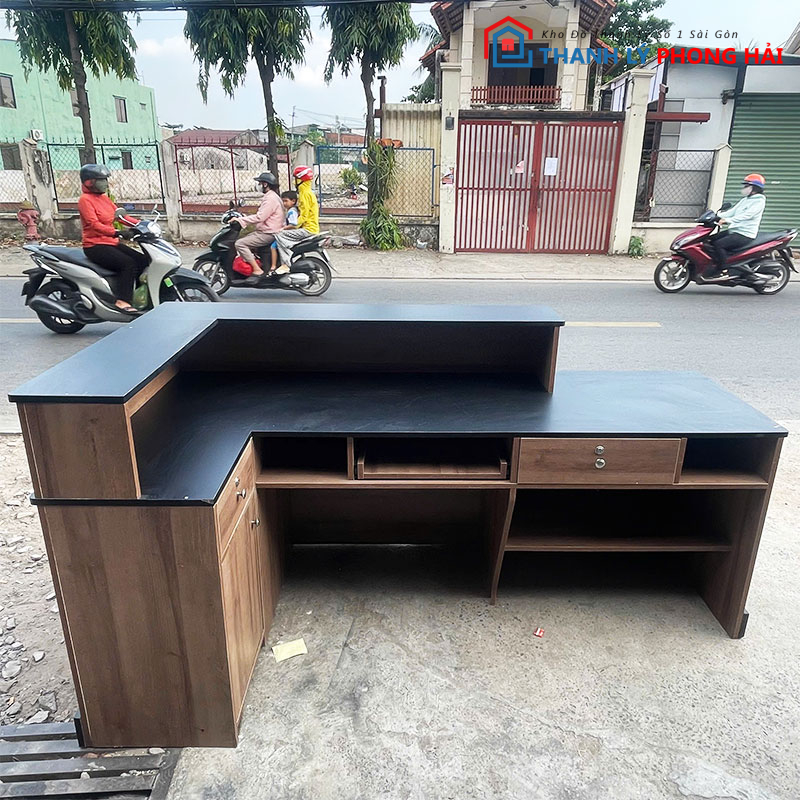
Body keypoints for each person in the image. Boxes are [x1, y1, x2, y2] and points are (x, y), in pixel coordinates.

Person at [78, 164, 148, 313]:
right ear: (89, 182)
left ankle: (139, 297)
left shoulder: (104, 198)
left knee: (144, 261)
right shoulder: (85, 200)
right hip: (95, 246)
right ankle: (122, 300)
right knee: (128, 264)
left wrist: (142, 225)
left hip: (111, 243)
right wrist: (117, 232)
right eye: (101, 180)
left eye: (105, 179)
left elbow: (121, 217)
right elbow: (94, 225)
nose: (105, 183)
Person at [706, 173, 766, 280]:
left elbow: (747, 215)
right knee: (709, 241)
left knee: (719, 245)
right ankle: (714, 265)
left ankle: (723, 270)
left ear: (754, 188)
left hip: (745, 234)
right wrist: (716, 216)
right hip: (734, 231)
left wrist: (727, 221)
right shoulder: (745, 200)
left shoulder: (759, 202)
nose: (744, 188)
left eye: (747, 186)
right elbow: (732, 212)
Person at [231, 172, 284, 282]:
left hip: (268, 233)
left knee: (240, 243)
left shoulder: (270, 199)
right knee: (246, 239)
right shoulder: (272, 196)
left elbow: (260, 217)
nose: (258, 185)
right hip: (267, 230)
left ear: (265, 184)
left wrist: (241, 220)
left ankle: (257, 269)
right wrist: (243, 217)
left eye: (259, 183)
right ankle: (257, 264)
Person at [273, 166, 319, 268]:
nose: (294, 182)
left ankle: (285, 264)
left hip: (308, 229)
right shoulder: (307, 192)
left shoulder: (304, 194)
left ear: (301, 179)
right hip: (310, 228)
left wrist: (292, 226)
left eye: (296, 179)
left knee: (279, 235)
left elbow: (304, 216)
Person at [269, 190, 299, 275]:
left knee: (273, 246)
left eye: (286, 201)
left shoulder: (292, 211)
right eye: (283, 201)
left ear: (293, 201)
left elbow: (293, 224)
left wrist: (282, 229)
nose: (284, 203)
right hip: (289, 234)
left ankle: (273, 266)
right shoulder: (291, 210)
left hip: (289, 235)